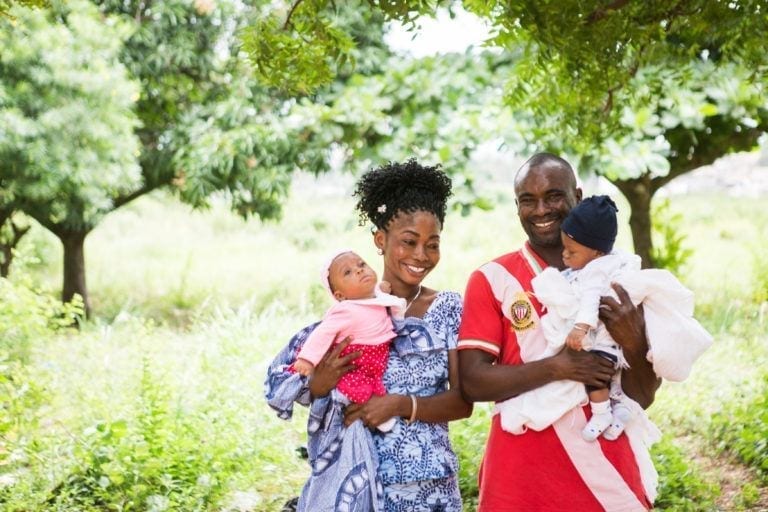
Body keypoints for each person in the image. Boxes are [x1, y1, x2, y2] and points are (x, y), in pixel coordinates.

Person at [457, 153, 662, 511]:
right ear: (516, 206)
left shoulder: (621, 279)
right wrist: (559, 366)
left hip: (604, 470)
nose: (541, 210)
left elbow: (642, 397)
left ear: (577, 197)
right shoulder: (492, 278)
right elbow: (472, 383)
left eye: (553, 196)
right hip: (519, 477)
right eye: (527, 200)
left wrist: (633, 340)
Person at [265, 159, 472, 512]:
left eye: (432, 244)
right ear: (380, 239)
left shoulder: (449, 308)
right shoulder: (350, 312)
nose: (420, 255)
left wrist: (400, 405)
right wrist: (320, 382)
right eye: (409, 241)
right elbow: (293, 382)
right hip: (356, 486)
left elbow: (463, 402)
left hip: (430, 489)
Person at [291, 249, 406, 431]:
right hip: (358, 359)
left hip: (377, 358)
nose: (359, 270)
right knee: (357, 385)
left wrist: (381, 288)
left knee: (374, 382)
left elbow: (379, 296)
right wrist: (307, 358)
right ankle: (348, 410)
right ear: (340, 296)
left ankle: (374, 412)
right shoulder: (346, 309)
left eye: (361, 264)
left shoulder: (374, 297)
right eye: (348, 272)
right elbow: (323, 333)